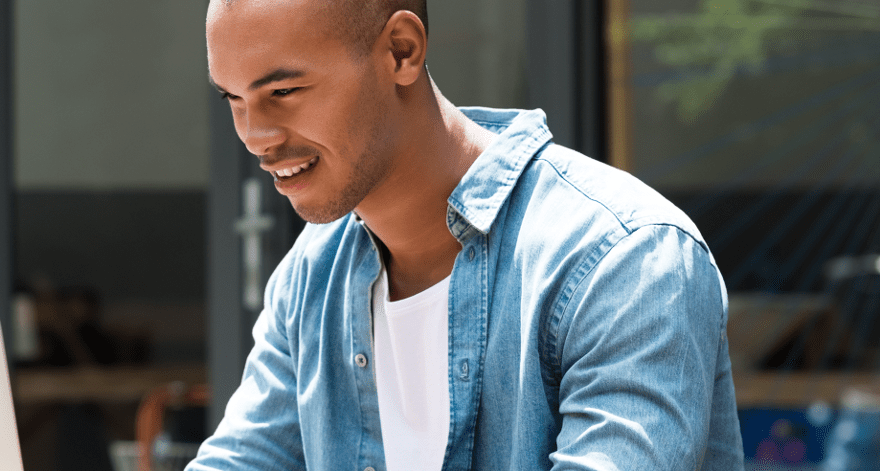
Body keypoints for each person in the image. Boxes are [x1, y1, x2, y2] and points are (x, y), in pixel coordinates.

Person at [188, 0, 745, 469]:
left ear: (401, 51)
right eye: (232, 99)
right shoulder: (315, 272)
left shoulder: (623, 257)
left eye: (283, 92)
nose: (255, 136)